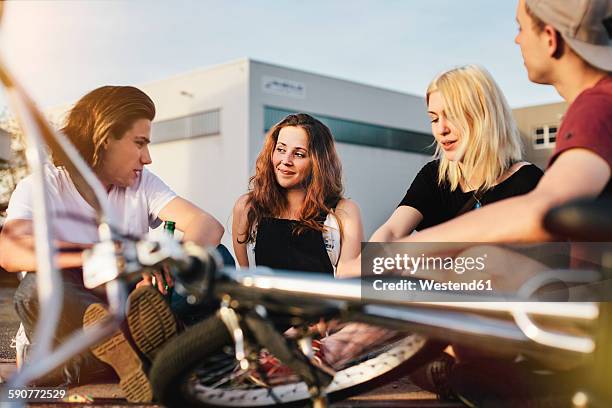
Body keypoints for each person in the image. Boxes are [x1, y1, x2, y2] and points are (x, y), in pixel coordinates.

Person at [391, 0, 611, 404]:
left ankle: (338, 352)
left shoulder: (600, 106)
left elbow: (544, 208)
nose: (515, 39)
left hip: (586, 319)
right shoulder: (591, 106)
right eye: (433, 117)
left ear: (550, 37)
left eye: (520, 27)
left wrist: (405, 251)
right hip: (572, 310)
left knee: (479, 261)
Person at [0, 85, 224, 402]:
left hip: (129, 308)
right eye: (139, 144)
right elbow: (9, 251)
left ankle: (143, 350)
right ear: (104, 140)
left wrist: (162, 256)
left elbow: (207, 226)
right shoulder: (44, 184)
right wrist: (98, 255)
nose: (147, 158)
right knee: (38, 286)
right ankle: (155, 353)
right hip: (72, 341)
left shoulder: (142, 183)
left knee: (213, 258)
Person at [232, 113, 363, 276]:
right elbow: (247, 280)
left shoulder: (343, 212)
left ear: (318, 163)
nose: (286, 160)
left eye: (299, 154)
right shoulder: (247, 207)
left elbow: (348, 281)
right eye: (280, 149)